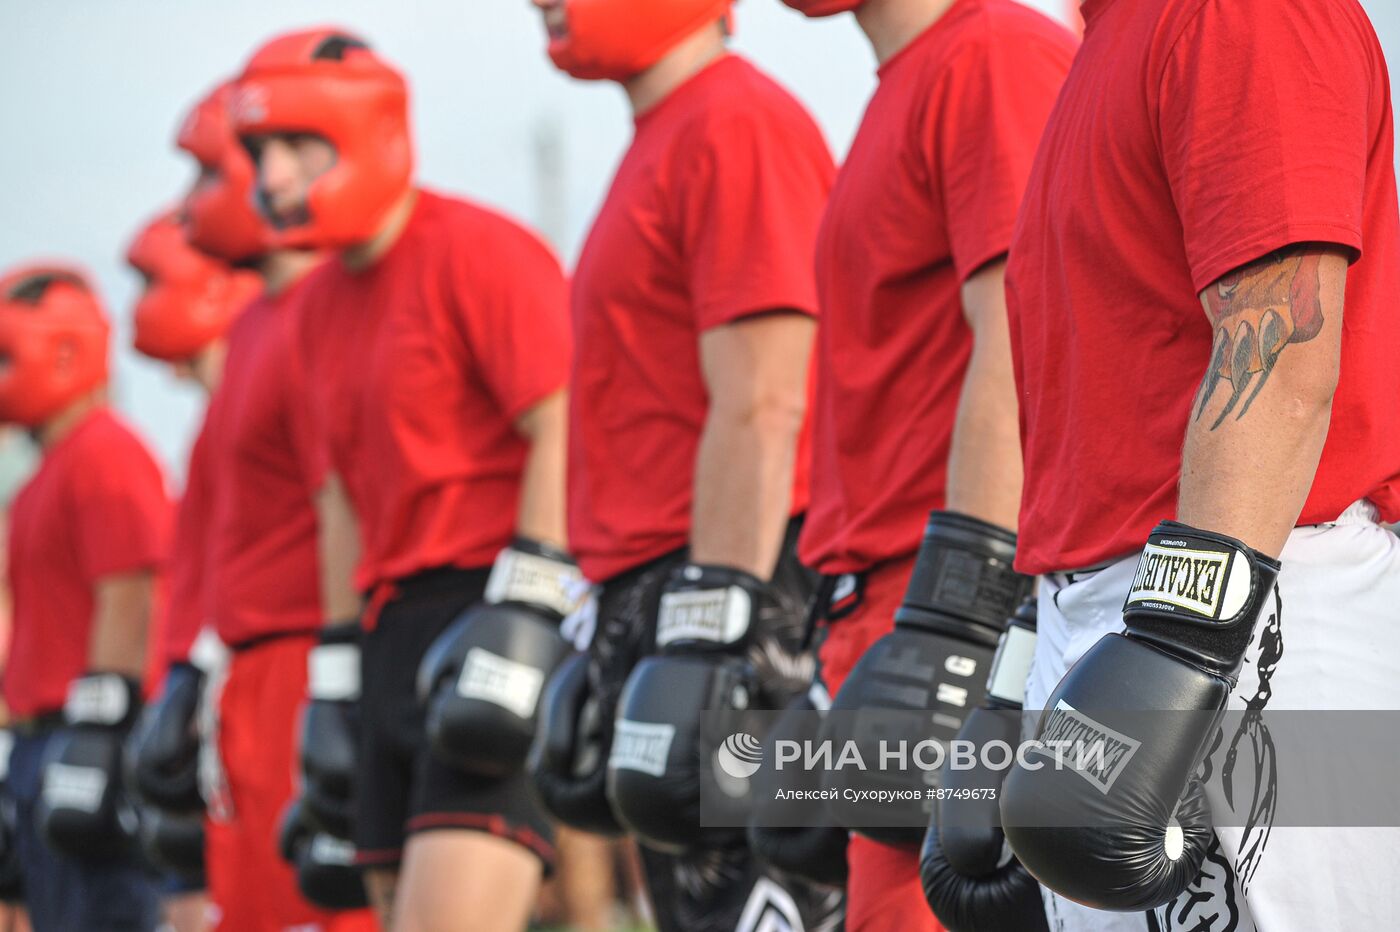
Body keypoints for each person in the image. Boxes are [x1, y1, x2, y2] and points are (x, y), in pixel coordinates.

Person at [997, 0, 1400, 929]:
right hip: (1130, 611)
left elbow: (1286, 353)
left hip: (1244, 601)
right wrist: (1011, 669)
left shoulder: (1232, 13)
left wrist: (1180, 646)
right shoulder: (1108, 37)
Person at [231, 28, 573, 932]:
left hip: (487, 607)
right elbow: (335, 495)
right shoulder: (311, 311)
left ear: (365, 130)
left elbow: (564, 419)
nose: (268, 179)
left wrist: (532, 610)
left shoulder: (479, 251)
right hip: (385, 632)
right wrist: (337, 668)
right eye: (258, 152)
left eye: (294, 145)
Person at [526, 1, 839, 929]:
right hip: (663, 589)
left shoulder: (734, 122)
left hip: (745, 580)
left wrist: (711, 629)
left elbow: (765, 400)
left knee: (778, 905)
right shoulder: (662, 136)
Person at [775, 0, 1076, 928]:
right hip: (877, 602)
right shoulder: (906, 79)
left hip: (953, 591)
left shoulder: (991, 53)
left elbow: (1022, 324)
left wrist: (966, 613)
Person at [172, 79, 378, 931]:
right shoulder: (260, 324)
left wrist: (335, 672)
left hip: (305, 656)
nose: (195, 202)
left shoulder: (737, 124)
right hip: (254, 671)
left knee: (777, 866)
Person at [0, 263, 170, 931]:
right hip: (41, 743)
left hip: (89, 739)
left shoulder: (106, 451)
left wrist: (99, 737)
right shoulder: (47, 469)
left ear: (64, 350)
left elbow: (128, 594)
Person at [125, 207, 260, 932]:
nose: (140, 305)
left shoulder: (248, 399)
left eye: (152, 281)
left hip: (240, 694)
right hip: (201, 698)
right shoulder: (214, 418)